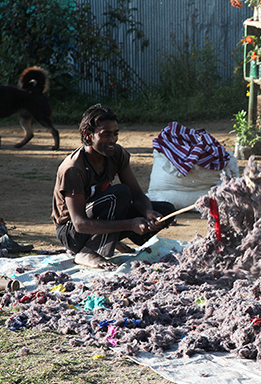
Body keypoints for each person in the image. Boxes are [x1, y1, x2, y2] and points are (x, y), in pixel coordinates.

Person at [51, 104, 176, 268]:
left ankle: (110, 240)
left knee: (166, 210)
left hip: (97, 218)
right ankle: (88, 251)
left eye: (115, 134)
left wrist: (148, 212)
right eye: (106, 135)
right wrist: (130, 224)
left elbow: (137, 195)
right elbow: (79, 223)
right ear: (88, 135)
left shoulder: (116, 154)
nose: (113, 140)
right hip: (72, 233)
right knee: (119, 193)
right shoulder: (73, 168)